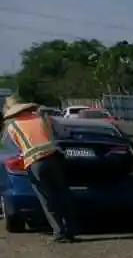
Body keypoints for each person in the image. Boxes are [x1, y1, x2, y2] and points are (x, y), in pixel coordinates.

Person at [2, 96, 79, 242]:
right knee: (63, 194)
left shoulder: (13, 127)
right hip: (54, 159)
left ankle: (59, 233)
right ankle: (71, 231)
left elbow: (15, 148)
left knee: (47, 199)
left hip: (35, 164)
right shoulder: (44, 119)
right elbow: (65, 133)